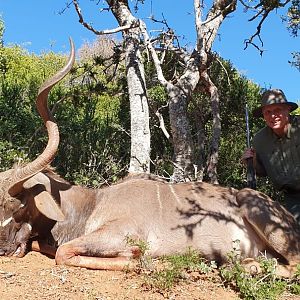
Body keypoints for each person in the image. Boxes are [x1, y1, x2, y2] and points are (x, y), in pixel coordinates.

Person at [242, 88, 300, 224]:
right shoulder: (259, 140)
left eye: (278, 110)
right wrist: (251, 161)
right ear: (263, 115)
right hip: (292, 197)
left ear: (288, 110)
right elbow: (261, 172)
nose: (273, 116)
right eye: (268, 112)